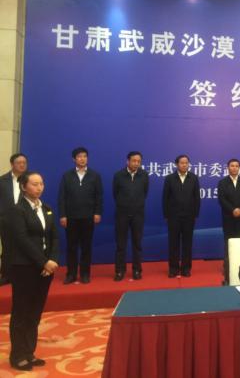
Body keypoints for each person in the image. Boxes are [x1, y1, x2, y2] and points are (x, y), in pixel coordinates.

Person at [6, 171, 59, 371]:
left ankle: (29, 352)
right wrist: (43, 262)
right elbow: (22, 240)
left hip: (45, 269)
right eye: (34, 184)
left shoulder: (46, 209)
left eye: (41, 184)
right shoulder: (17, 210)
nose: (39, 187)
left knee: (35, 312)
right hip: (25, 268)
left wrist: (52, 260)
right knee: (21, 311)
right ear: (23, 187)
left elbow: (54, 237)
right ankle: (17, 355)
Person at [58, 147, 103, 284]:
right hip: (71, 217)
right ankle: (71, 274)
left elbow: (99, 196)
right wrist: (63, 215)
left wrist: (97, 212)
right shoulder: (67, 175)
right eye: (79, 156)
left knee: (86, 247)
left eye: (84, 156)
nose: (82, 159)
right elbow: (62, 197)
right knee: (71, 247)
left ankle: (85, 274)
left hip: (88, 217)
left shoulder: (95, 175)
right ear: (74, 159)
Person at [162, 154, 200, 278]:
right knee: (173, 243)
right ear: (176, 164)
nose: (184, 165)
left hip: (189, 216)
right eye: (182, 163)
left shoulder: (193, 178)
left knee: (187, 243)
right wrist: (166, 214)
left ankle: (186, 268)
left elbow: (196, 197)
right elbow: (165, 198)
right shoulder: (170, 178)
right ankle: (173, 268)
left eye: (186, 163)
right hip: (173, 216)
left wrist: (195, 214)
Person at [112, 151, 149, 281]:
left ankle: (137, 270)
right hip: (122, 215)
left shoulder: (144, 175)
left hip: (138, 215)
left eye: (139, 161)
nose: (136, 163)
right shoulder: (119, 175)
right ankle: (119, 271)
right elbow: (115, 194)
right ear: (127, 161)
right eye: (134, 161)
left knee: (137, 244)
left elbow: (145, 193)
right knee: (120, 245)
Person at [217, 159, 240, 285]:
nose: (234, 168)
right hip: (228, 217)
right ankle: (227, 266)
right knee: (228, 241)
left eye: (237, 166)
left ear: (239, 168)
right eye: (232, 166)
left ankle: (238, 265)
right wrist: (232, 210)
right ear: (228, 168)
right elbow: (222, 199)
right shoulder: (222, 182)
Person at [0, 153, 28, 286]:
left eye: (24, 163)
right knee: (7, 248)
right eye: (19, 162)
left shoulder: (30, 179)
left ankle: (22, 275)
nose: (22, 165)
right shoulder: (2, 180)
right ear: (12, 164)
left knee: (24, 247)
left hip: (25, 219)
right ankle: (6, 275)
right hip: (6, 220)